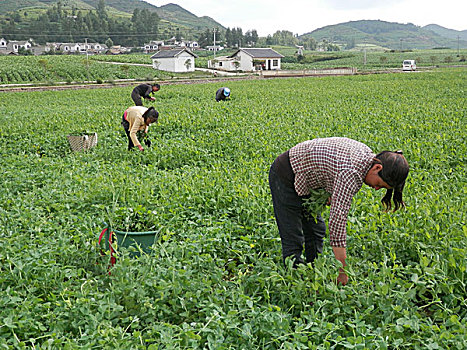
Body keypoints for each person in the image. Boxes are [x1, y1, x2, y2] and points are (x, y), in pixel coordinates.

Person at [268, 137, 409, 285]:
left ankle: (314, 271)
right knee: (293, 236)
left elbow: (333, 166)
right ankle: (294, 283)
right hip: (285, 174)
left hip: (305, 178)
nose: (376, 188)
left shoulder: (368, 158)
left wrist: (331, 191)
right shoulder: (351, 173)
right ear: (377, 168)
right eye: (379, 184)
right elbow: (337, 222)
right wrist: (343, 271)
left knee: (316, 229)